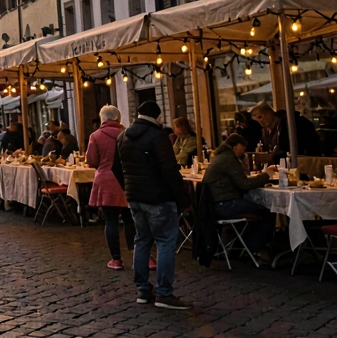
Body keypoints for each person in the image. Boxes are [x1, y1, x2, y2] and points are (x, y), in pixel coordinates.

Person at [112, 100, 190, 310]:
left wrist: (128, 189)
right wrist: (183, 199)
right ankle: (164, 293)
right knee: (165, 242)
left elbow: (115, 168)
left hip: (135, 198)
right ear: (157, 117)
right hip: (159, 198)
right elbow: (170, 171)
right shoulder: (158, 137)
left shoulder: (123, 136)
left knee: (142, 240)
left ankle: (143, 289)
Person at [203, 133, 277, 260]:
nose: (242, 152)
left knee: (256, 209)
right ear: (235, 146)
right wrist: (266, 175)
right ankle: (257, 248)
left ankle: (247, 245)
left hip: (218, 203)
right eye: (242, 148)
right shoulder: (229, 159)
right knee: (268, 210)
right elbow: (244, 184)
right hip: (225, 204)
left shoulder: (220, 157)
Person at [87, 106, 135, 271]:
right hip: (127, 180)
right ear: (119, 118)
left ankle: (116, 259)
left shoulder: (96, 136)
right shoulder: (129, 135)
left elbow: (92, 161)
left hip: (106, 181)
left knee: (111, 221)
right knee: (131, 219)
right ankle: (140, 255)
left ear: (102, 119)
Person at [250, 102, 325, 161]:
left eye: (260, 117)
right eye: (257, 120)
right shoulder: (266, 132)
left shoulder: (293, 123)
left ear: (269, 112)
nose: (261, 121)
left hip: (303, 164)